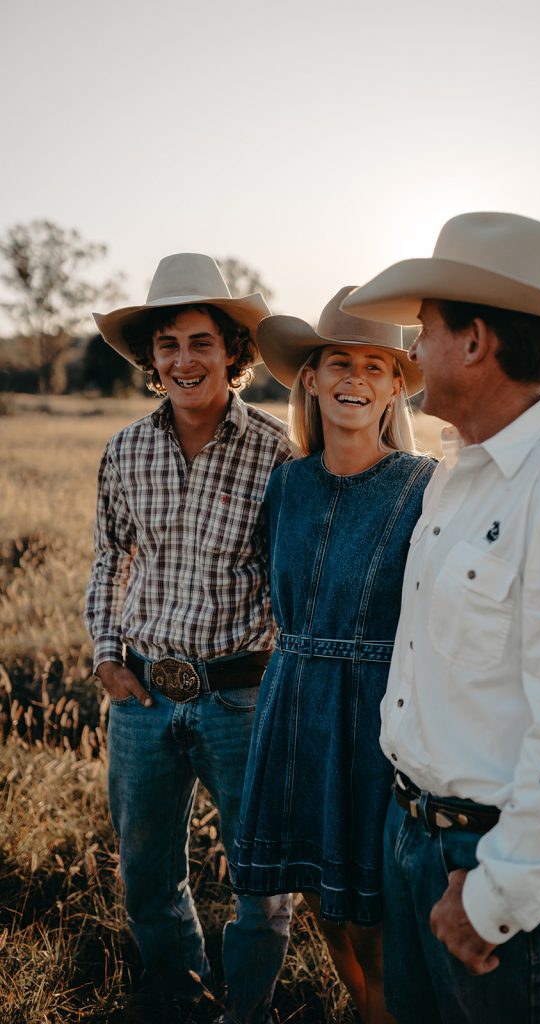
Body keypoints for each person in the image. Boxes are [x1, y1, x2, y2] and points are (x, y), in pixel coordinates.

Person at [342, 212, 540, 1024]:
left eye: (424, 329)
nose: (412, 350)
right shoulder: (457, 474)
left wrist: (496, 894)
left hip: (485, 860)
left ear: (474, 342)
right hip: (411, 834)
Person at [84, 253, 293, 1024]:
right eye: (167, 344)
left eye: (200, 342)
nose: (183, 359)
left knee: (259, 875)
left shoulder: (276, 452)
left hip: (240, 698)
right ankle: (181, 995)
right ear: (151, 358)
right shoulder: (126, 450)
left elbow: (293, 581)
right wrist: (107, 654)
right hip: (141, 697)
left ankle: (249, 1009)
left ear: (232, 352)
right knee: (145, 870)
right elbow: (110, 557)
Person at [229, 286, 436, 1024]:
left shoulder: (423, 485)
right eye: (339, 363)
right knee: (320, 900)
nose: (355, 378)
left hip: (375, 712)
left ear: (394, 387)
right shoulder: (287, 483)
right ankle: (364, 1007)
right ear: (310, 379)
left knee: (371, 913)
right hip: (293, 703)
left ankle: (384, 1008)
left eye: (375, 366)